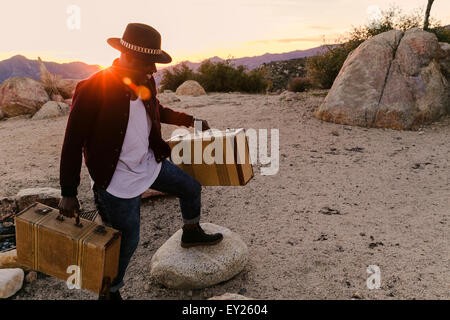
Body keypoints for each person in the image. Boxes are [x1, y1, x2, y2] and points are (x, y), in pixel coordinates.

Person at [58, 23, 223, 300]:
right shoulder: (92, 88)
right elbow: (72, 141)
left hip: (149, 163)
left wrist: (189, 120)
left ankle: (191, 232)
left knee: (191, 187)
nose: (154, 71)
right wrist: (68, 192)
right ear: (130, 57)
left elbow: (154, 108)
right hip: (115, 178)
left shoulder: (144, 80)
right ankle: (110, 291)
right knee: (127, 239)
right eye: (150, 63)